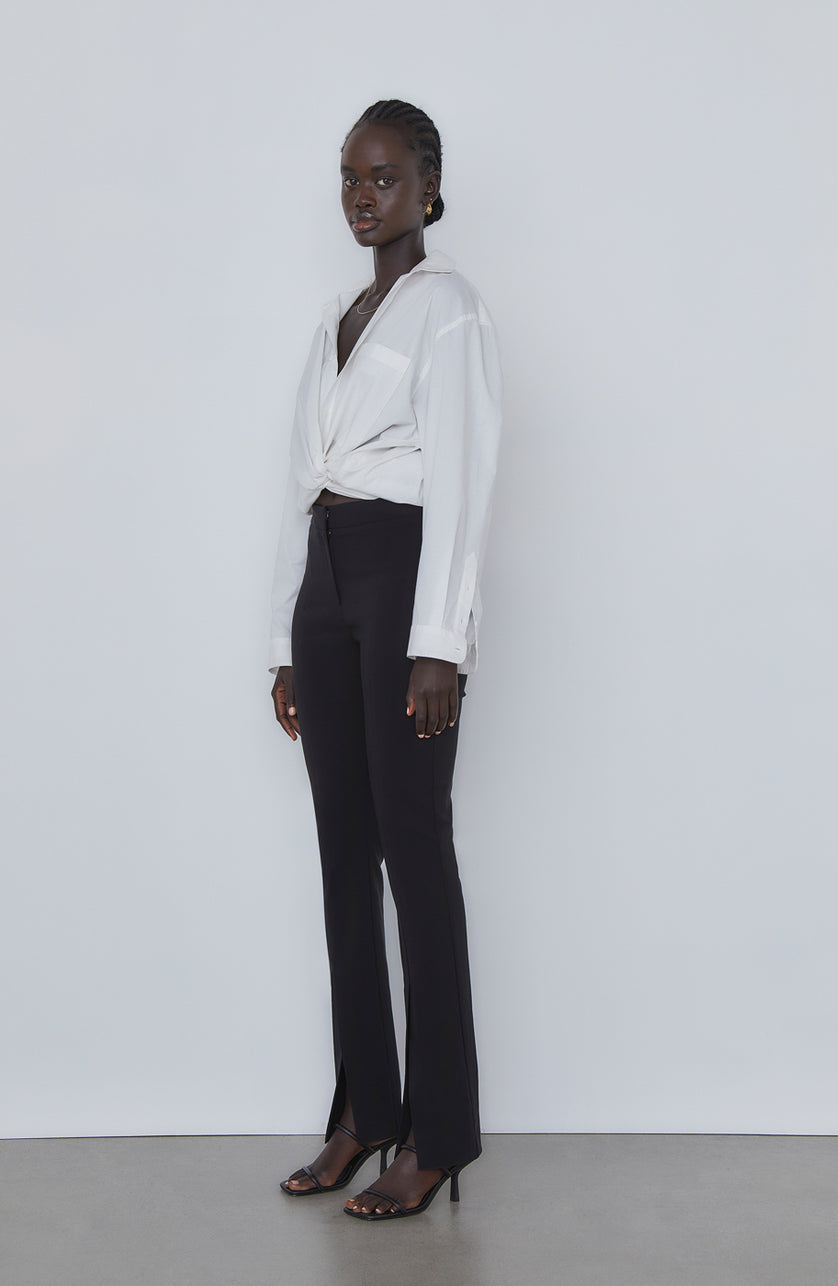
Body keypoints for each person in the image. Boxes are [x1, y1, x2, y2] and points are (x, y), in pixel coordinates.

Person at [268, 99, 502, 1221]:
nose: (363, 196)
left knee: (415, 854)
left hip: (403, 570)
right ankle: (365, 1106)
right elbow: (303, 481)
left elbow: (464, 471)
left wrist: (439, 641)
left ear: (428, 187)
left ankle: (441, 1134)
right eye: (351, 178)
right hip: (328, 577)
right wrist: (285, 637)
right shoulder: (338, 317)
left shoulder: (447, 307)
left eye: (385, 177)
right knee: (340, 856)